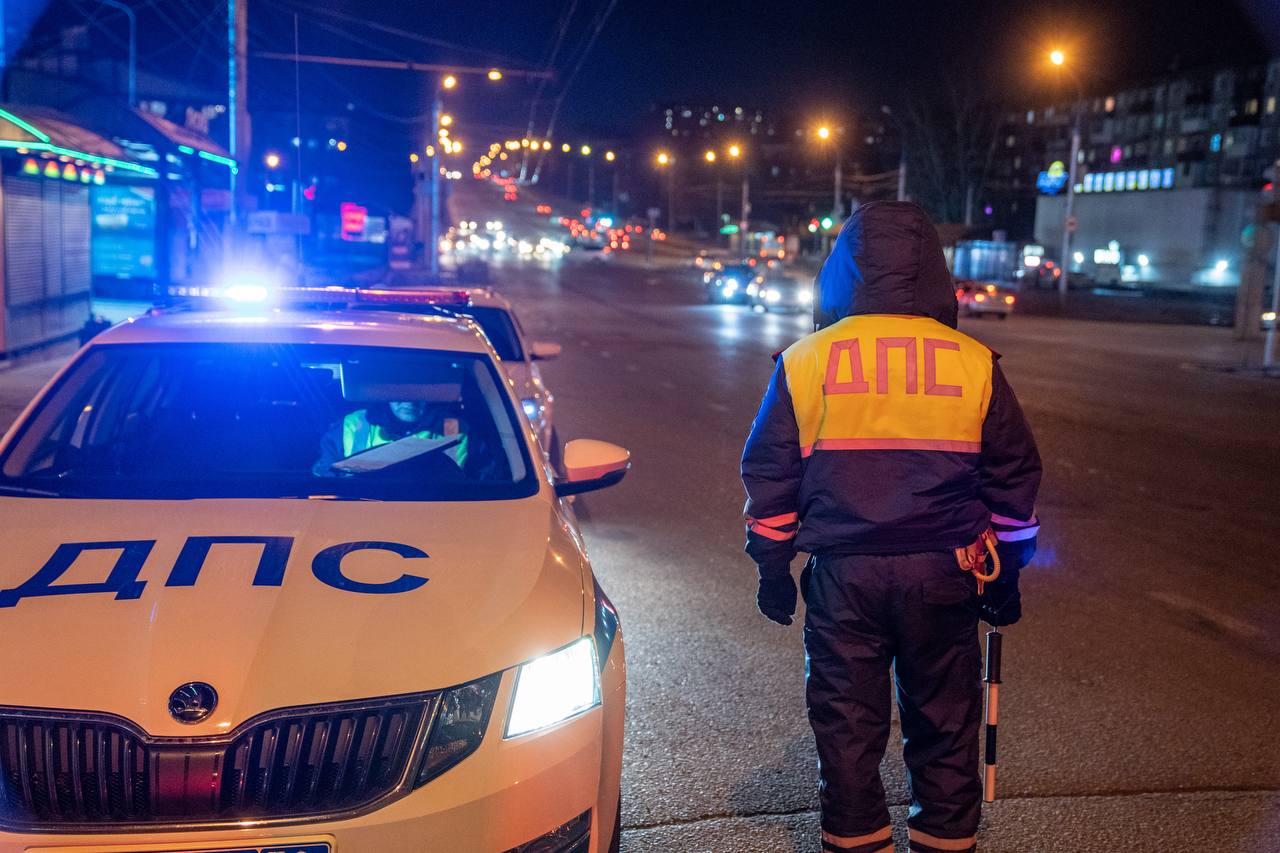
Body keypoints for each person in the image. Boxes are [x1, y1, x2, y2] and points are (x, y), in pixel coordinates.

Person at [740, 201, 1041, 853]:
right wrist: (1008, 574)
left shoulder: (805, 361)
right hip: (946, 571)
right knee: (945, 722)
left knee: (847, 725)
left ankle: (857, 841)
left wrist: (772, 568)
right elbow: (1013, 473)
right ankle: (944, 841)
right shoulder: (972, 362)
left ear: (841, 272)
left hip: (844, 577)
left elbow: (770, 473)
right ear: (933, 271)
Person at [313, 400, 468, 476]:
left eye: (419, 389)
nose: (410, 400)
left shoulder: (455, 429)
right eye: (402, 389)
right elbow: (324, 480)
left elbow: (470, 486)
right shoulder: (351, 425)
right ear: (385, 390)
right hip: (359, 513)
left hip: (434, 515)